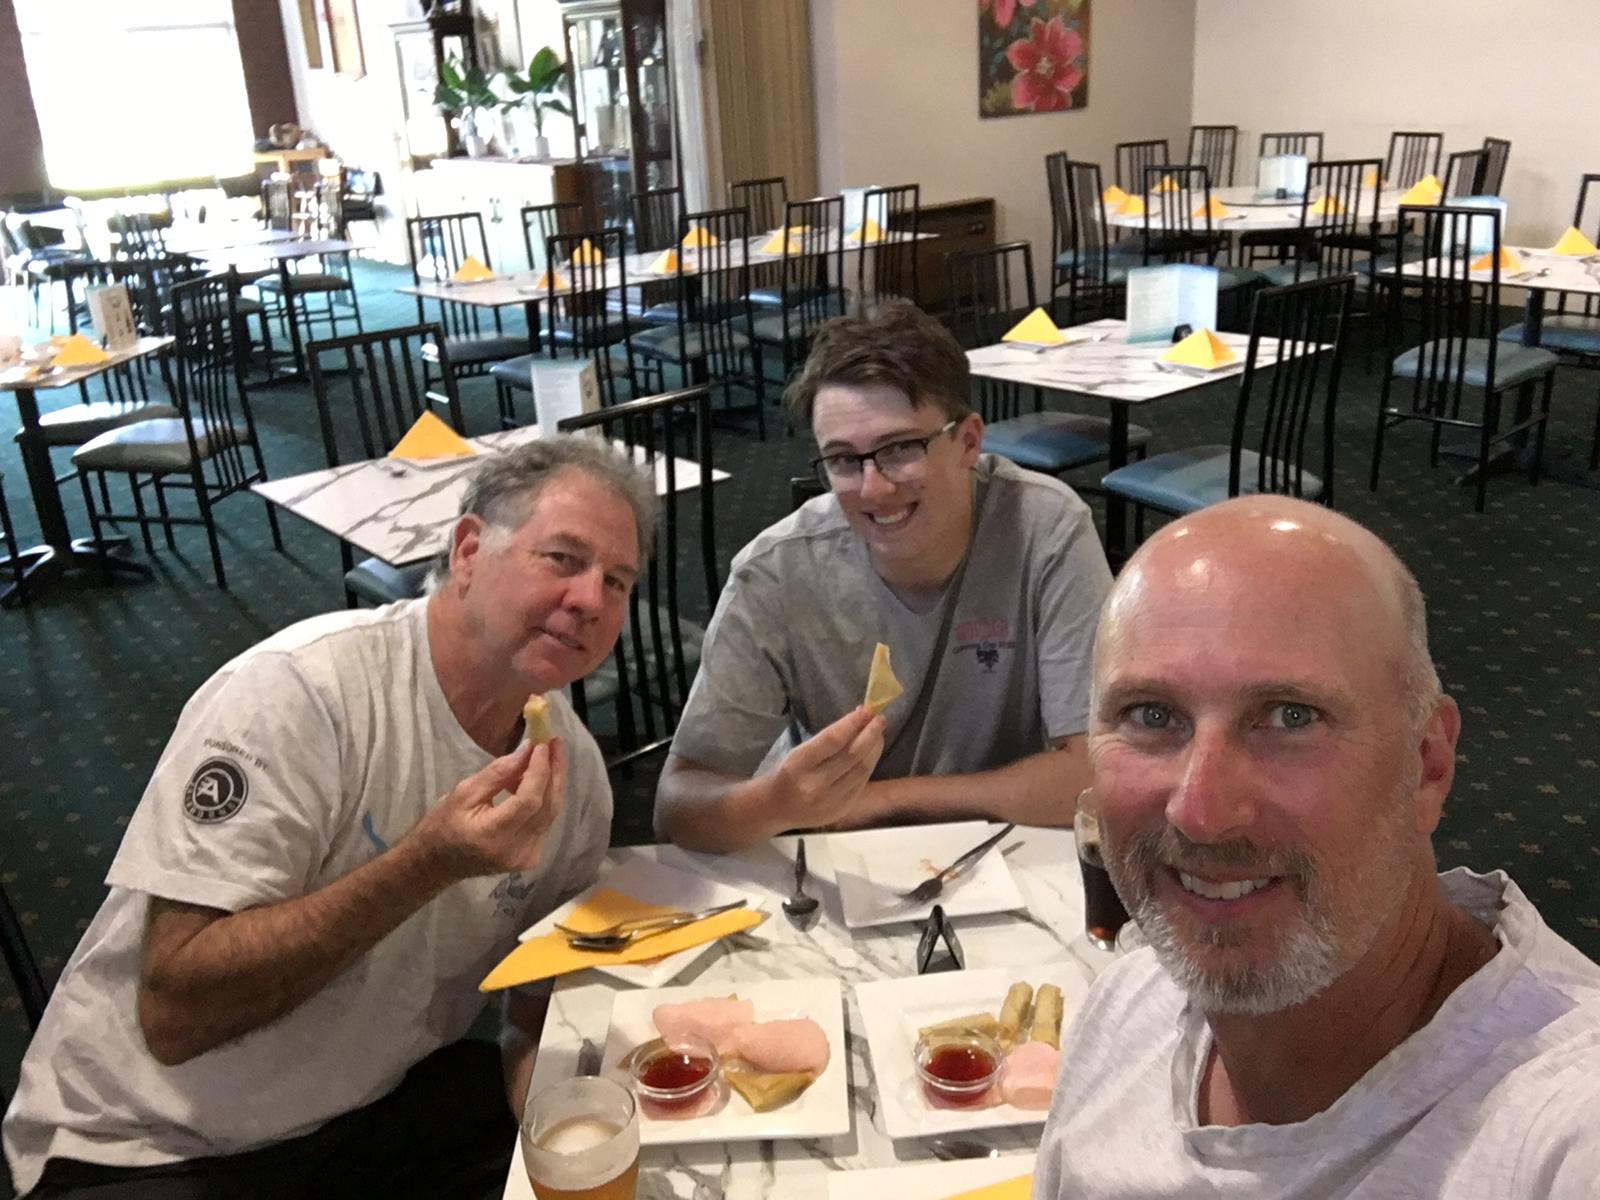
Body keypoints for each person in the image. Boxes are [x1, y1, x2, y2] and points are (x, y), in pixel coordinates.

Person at [3, 438, 657, 1200]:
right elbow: (175, 1010)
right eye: (563, 559)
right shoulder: (304, 695)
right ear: (469, 550)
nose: (591, 600)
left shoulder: (573, 780)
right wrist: (428, 863)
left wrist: (550, 1132)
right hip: (146, 1143)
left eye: (617, 581)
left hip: (365, 1109)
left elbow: (534, 1007)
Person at [1036, 496, 1600, 1197]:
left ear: (1427, 764)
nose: (1202, 813)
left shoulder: (1562, 1138)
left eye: (1290, 718)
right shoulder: (1126, 1003)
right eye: (1151, 715)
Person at [655, 301, 1112, 852]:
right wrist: (778, 801)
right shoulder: (774, 572)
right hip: (837, 854)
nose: (873, 489)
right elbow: (677, 807)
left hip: (1003, 846)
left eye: (900, 449)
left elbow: (1095, 772)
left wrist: (884, 799)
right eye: (844, 460)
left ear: (968, 442)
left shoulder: (1045, 528)